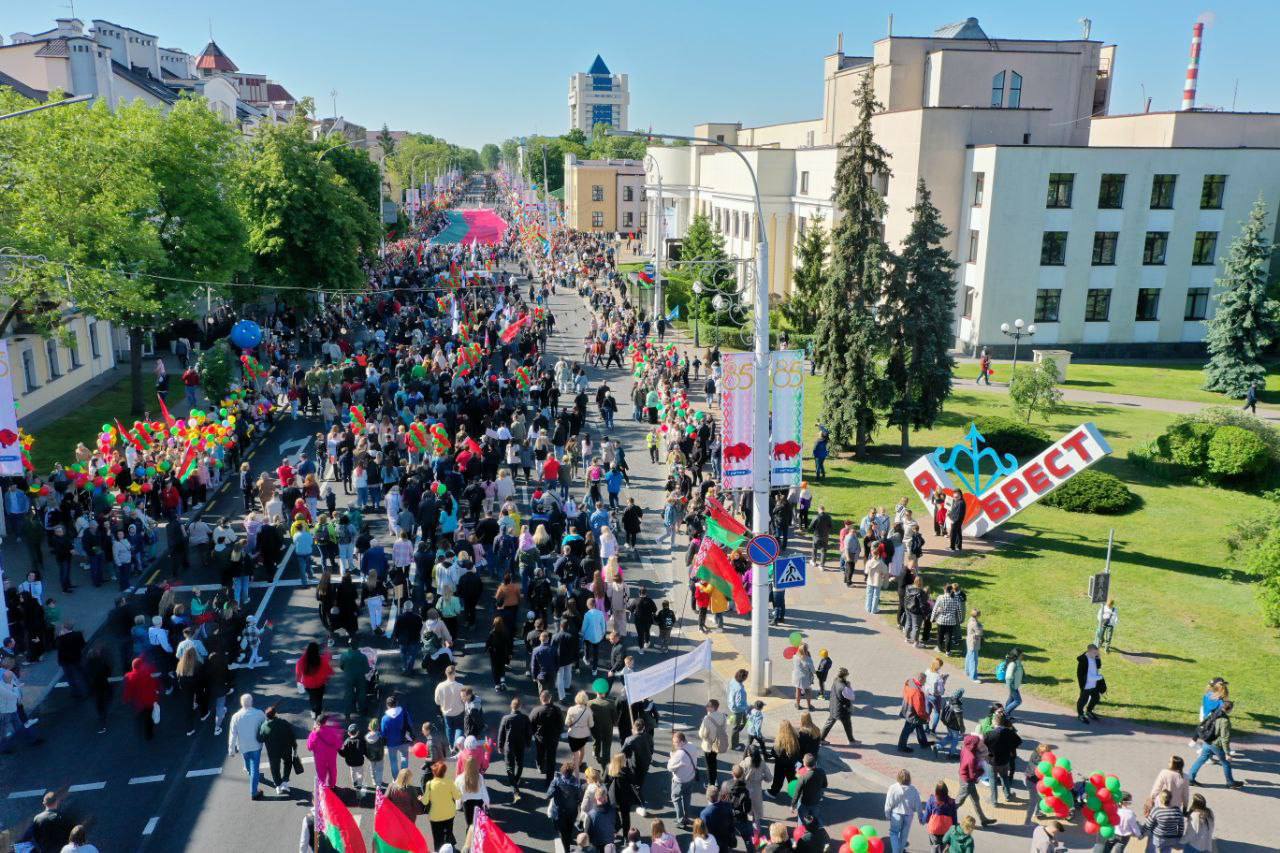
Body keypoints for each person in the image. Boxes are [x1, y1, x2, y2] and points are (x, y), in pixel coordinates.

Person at [1188, 700, 1243, 788]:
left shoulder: (1214, 712)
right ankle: (1230, 782)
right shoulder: (1224, 721)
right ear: (1230, 709)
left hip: (1207, 741)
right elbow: (1224, 738)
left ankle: (1190, 778)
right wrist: (1227, 753)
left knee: (1201, 759)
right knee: (1226, 763)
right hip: (1216, 745)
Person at [227, 693, 268, 800]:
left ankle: (250, 773)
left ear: (241, 703)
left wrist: (231, 749)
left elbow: (233, 734)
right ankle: (254, 792)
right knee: (255, 768)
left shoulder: (235, 717)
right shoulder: (259, 713)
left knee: (248, 763)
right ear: (251, 702)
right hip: (256, 745)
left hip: (243, 746)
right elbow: (266, 727)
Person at [953, 734, 995, 826]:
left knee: (976, 799)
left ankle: (983, 820)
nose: (980, 744)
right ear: (973, 745)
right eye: (978, 743)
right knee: (959, 802)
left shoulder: (965, 748)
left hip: (963, 777)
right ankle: (946, 816)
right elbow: (973, 775)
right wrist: (981, 771)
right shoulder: (971, 758)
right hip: (967, 782)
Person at [258, 704, 300, 796]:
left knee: (275, 768)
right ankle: (285, 781)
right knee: (288, 763)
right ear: (275, 714)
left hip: (273, 752)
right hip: (286, 749)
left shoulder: (264, 726)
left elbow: (260, 739)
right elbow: (292, 735)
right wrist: (294, 747)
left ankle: (278, 785)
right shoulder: (284, 722)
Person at [497, 696, 531, 800]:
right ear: (520, 706)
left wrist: (500, 745)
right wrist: (528, 744)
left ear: (511, 706)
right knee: (519, 764)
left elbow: (501, 733)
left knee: (509, 766)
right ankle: (516, 780)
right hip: (520, 745)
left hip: (508, 745)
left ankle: (514, 787)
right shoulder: (525, 718)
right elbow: (528, 733)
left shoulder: (506, 718)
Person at [421, 761, 459, 850]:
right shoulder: (449, 782)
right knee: (448, 831)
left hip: (436, 814)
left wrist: (421, 798)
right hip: (449, 812)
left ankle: (439, 850)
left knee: (437, 836)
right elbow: (457, 796)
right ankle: (449, 848)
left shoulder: (429, 784)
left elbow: (425, 801)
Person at [884, 768, 924, 853]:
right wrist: (920, 817)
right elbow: (918, 804)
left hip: (896, 814)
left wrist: (887, 814)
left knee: (894, 833)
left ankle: (896, 851)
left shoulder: (893, 787)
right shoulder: (913, 789)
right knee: (904, 836)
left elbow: (888, 803)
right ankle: (900, 851)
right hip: (909, 815)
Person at [548, 762, 585, 852]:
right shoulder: (576, 782)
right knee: (569, 829)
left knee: (562, 832)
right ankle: (568, 843)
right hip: (572, 812)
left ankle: (567, 849)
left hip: (560, 812)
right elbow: (580, 797)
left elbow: (549, 794)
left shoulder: (557, 781)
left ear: (562, 771)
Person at [668, 730, 699, 829]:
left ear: (681, 742)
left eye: (675, 742)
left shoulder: (679, 754)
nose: (674, 744)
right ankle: (686, 817)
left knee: (676, 798)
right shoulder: (692, 746)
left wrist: (671, 757)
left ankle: (680, 820)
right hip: (690, 777)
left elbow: (670, 767)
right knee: (686, 797)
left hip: (679, 781)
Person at [294, 641, 333, 718]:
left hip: (308, 685)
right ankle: (318, 713)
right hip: (320, 684)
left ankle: (313, 710)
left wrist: (298, 681)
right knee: (319, 698)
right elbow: (328, 670)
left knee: (312, 697)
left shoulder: (302, 661)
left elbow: (298, 673)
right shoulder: (321, 660)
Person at [381, 695, 416, 777]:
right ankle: (403, 778)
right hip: (404, 740)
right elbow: (410, 724)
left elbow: (383, 733)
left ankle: (395, 779)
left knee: (393, 761)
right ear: (396, 703)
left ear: (387, 705)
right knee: (404, 758)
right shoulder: (404, 713)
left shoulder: (385, 718)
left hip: (391, 743)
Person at [820, 667, 857, 745]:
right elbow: (852, 697)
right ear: (845, 675)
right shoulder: (843, 687)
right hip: (842, 710)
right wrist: (849, 686)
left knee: (829, 723)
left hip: (834, 706)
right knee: (847, 725)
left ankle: (821, 739)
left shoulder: (836, 680)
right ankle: (851, 741)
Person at [308, 714, 345, 788]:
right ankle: (332, 785)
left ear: (317, 722)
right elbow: (339, 745)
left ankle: (322, 786)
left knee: (321, 772)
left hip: (319, 757)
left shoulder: (314, 733)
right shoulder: (332, 731)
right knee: (332, 770)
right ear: (326, 722)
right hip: (331, 756)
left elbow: (309, 747)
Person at [898, 672, 931, 753]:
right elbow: (919, 710)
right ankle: (901, 746)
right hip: (912, 714)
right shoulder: (917, 693)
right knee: (907, 730)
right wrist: (926, 716)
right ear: (920, 679)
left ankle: (923, 743)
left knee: (919, 726)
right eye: (924, 680)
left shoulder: (909, 682)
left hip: (907, 707)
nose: (925, 682)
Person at [792, 753, 828, 828]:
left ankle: (802, 836)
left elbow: (797, 793)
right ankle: (818, 831)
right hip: (816, 801)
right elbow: (825, 785)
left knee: (802, 821)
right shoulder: (821, 771)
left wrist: (793, 805)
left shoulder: (803, 778)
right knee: (815, 817)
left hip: (804, 803)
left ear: (805, 764)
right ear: (815, 763)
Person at [699, 699, 729, 787]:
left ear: (713, 708)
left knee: (709, 765)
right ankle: (714, 779)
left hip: (709, 745)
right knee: (714, 761)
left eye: (708, 706)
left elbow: (702, 734)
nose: (706, 707)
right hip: (718, 743)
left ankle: (711, 783)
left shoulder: (707, 719)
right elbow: (724, 728)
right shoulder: (723, 716)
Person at [923, 781, 959, 853]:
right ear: (946, 791)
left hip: (934, 829)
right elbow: (954, 818)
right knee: (944, 847)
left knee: (934, 845)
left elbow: (927, 816)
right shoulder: (951, 802)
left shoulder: (931, 800)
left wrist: (925, 820)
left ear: (936, 791)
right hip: (946, 830)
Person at [1076, 644, 1105, 723]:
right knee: (1083, 700)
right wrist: (1100, 677)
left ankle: (1089, 711)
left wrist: (1098, 657)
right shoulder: (1083, 661)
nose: (1096, 654)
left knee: (1096, 698)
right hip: (1087, 685)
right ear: (1089, 651)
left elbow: (1098, 666)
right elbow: (1086, 676)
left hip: (1094, 684)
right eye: (1095, 653)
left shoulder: (1094, 657)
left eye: (1097, 653)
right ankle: (1080, 714)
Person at [1001, 649, 1024, 718]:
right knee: (1018, 701)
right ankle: (1004, 713)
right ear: (1017, 655)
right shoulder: (1013, 664)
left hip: (1015, 685)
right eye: (1021, 655)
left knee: (1011, 699)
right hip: (1012, 685)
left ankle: (1006, 715)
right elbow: (1008, 676)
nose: (1023, 656)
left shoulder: (1018, 662)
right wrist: (1011, 685)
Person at [792, 643, 816, 711]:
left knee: (798, 690)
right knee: (808, 691)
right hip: (805, 678)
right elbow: (813, 671)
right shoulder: (808, 659)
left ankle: (797, 704)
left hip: (797, 677)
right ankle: (809, 706)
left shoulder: (795, 657)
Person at [964, 610, 983, 682]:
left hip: (970, 641)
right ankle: (973, 677)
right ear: (977, 615)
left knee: (969, 657)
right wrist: (981, 626)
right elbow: (979, 632)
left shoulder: (970, 620)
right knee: (974, 659)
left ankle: (967, 671)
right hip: (973, 642)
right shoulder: (975, 623)